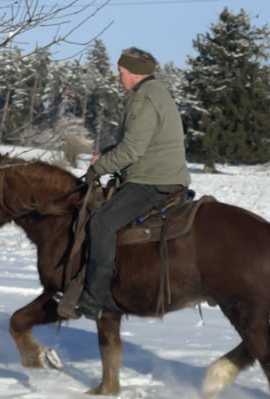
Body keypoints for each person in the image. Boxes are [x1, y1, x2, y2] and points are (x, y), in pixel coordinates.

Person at [74, 47, 191, 320]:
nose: (118, 77)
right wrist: (106, 154)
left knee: (102, 223)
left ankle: (95, 298)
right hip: (158, 174)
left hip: (152, 180)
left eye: (122, 72)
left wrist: (97, 170)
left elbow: (132, 152)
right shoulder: (152, 93)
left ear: (136, 73)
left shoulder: (144, 100)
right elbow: (133, 143)